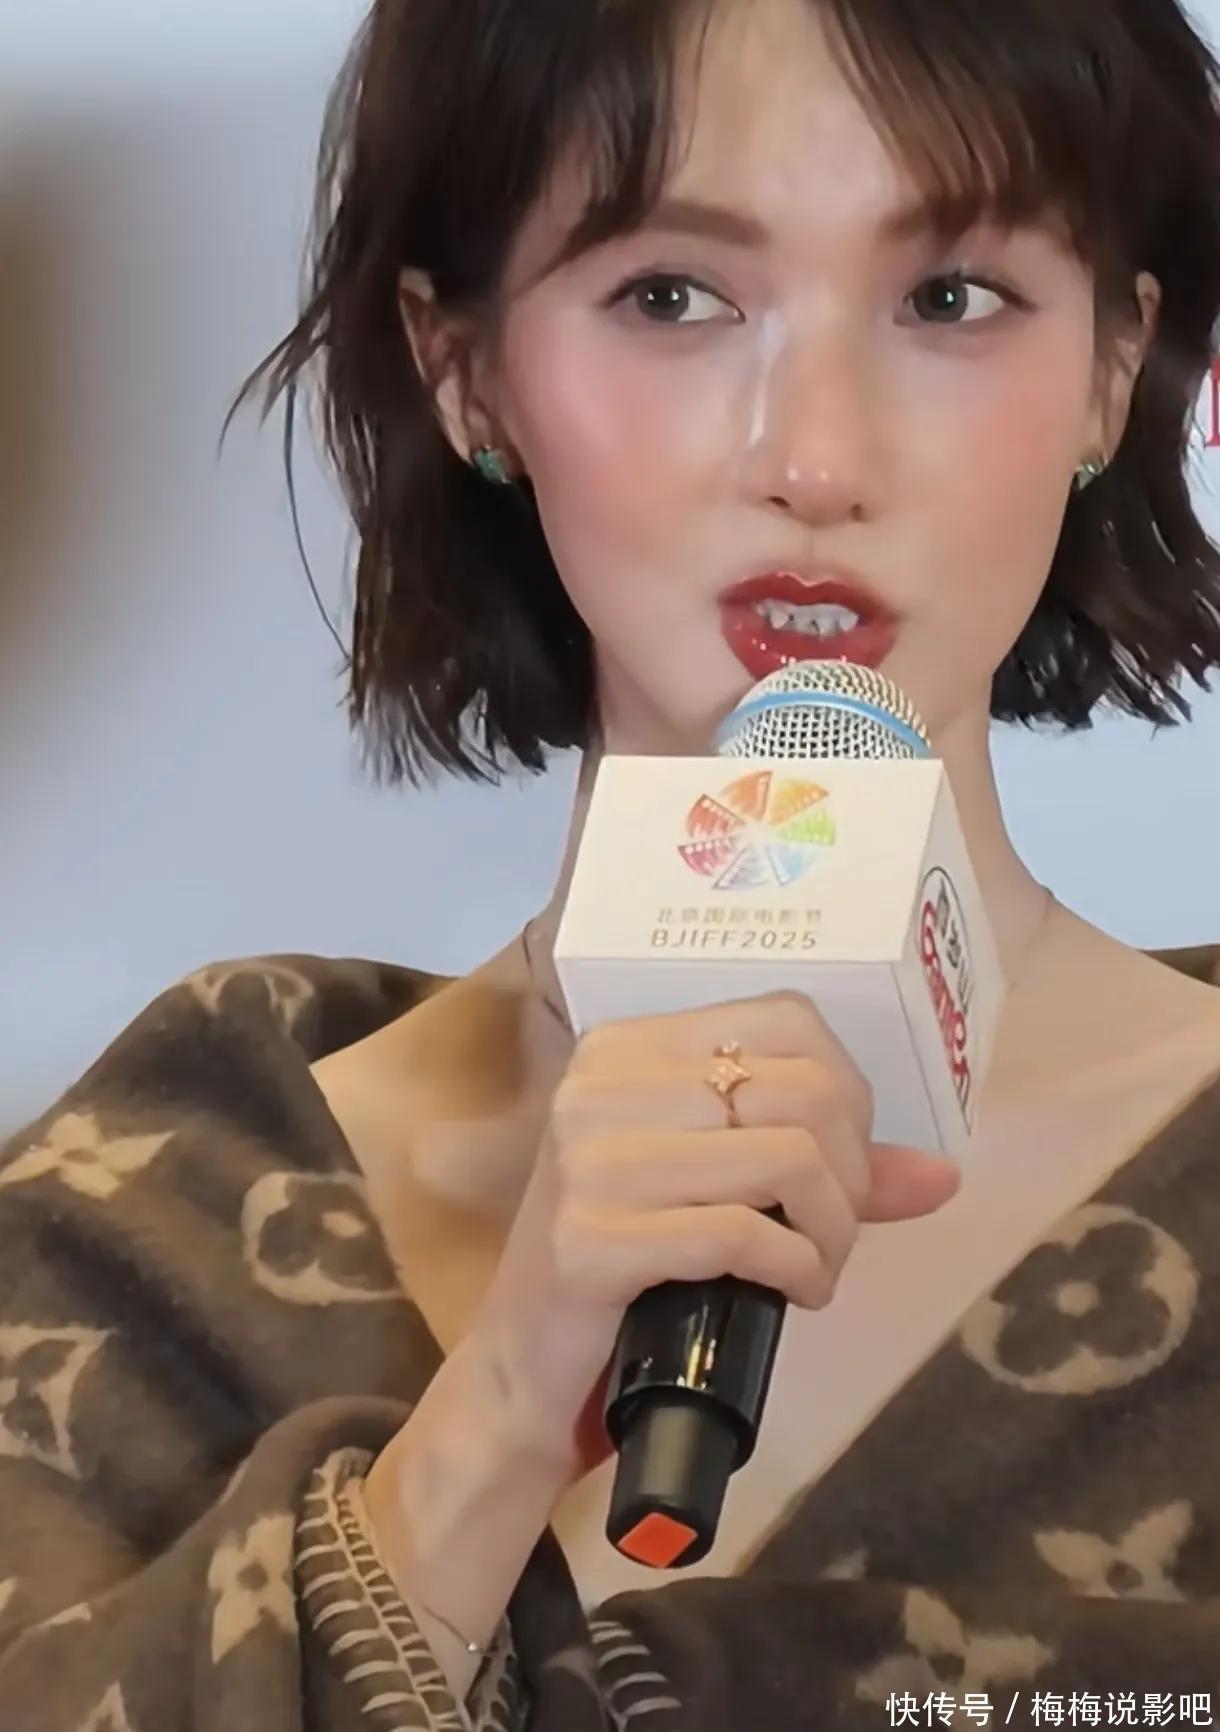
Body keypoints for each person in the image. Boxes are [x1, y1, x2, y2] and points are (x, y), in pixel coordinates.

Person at [5, 0, 1220, 1726]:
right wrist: (494, 1426)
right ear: (465, 369)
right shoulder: (185, 1192)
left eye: (951, 298)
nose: (815, 460)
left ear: (1111, 364)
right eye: (672, 297)